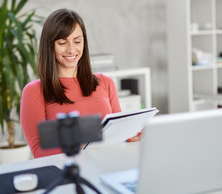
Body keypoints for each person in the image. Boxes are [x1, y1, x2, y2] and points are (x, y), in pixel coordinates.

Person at [20, 9, 140, 158]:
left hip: (108, 166)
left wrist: (131, 136)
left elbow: (118, 132)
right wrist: (81, 145)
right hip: (67, 173)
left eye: (77, 41)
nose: (71, 49)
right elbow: (38, 152)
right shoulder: (34, 91)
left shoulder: (106, 83)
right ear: (49, 45)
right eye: (62, 42)